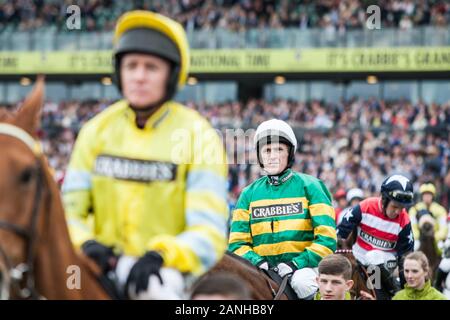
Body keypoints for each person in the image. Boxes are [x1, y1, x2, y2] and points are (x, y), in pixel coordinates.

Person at [62, 10, 228, 299]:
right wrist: (85, 243)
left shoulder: (199, 135)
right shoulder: (94, 131)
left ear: (171, 75)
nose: (139, 77)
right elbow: (68, 211)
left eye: (151, 67)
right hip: (94, 262)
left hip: (164, 272)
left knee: (156, 291)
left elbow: (209, 230)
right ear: (119, 72)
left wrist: (162, 255)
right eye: (131, 66)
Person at [228, 119, 337, 300]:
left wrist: (296, 263)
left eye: (279, 149)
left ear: (290, 154)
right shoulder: (248, 194)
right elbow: (237, 244)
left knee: (302, 283)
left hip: (304, 269)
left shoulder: (312, 186)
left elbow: (327, 240)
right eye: (267, 150)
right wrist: (258, 262)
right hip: (260, 270)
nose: (272, 156)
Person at [337, 174, 415, 300]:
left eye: (402, 208)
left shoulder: (404, 221)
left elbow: (405, 257)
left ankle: (393, 291)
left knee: (373, 257)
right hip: (357, 259)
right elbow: (340, 233)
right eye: (395, 206)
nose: (398, 212)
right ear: (384, 200)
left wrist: (405, 288)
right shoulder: (365, 207)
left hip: (385, 262)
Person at [409, 183, 448, 248]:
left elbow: (443, 228)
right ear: (422, 196)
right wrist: (418, 237)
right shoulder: (414, 209)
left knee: (442, 249)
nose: (427, 196)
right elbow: (412, 226)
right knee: (415, 248)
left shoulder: (441, 210)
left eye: (429, 194)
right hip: (419, 239)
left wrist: (435, 236)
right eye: (425, 194)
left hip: (435, 239)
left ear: (433, 195)